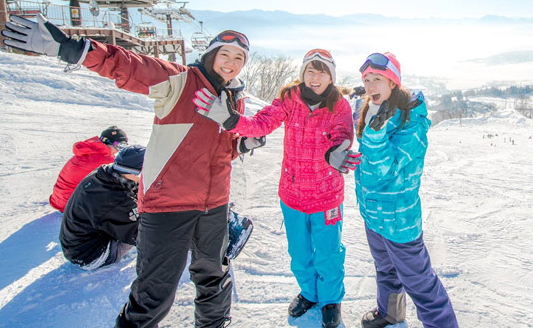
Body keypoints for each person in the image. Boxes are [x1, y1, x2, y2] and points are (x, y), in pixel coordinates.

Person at [2, 15, 263, 328]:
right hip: (169, 204)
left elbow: (220, 150)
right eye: (225, 54)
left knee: (214, 275)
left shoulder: (236, 98)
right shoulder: (181, 80)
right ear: (211, 55)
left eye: (239, 58)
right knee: (155, 291)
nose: (231, 63)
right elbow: (130, 66)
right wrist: (77, 49)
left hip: (214, 203)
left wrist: (242, 145)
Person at [194, 48, 360, 328]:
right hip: (293, 195)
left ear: (331, 77)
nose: (315, 77)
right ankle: (309, 293)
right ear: (302, 74)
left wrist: (336, 150)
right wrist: (232, 120)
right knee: (300, 252)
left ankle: (331, 300)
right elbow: (263, 122)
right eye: (310, 70)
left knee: (329, 252)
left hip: (327, 196)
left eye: (322, 71)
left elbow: (343, 133)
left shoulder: (338, 104)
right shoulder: (289, 99)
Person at [355, 53, 459, 328]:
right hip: (373, 213)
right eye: (367, 80)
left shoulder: (411, 122)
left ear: (393, 83)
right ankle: (390, 313)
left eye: (378, 79)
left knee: (421, 283)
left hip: (398, 218)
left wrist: (375, 135)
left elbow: (388, 172)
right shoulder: (373, 109)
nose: (370, 85)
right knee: (386, 270)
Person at [60, 144, 145, 269]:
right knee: (149, 228)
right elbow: (142, 236)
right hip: (91, 256)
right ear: (135, 172)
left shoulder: (106, 173)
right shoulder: (115, 200)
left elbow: (132, 189)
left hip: (74, 246)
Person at [50, 126, 129, 212]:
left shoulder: (89, 150)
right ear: (107, 142)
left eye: (123, 147)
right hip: (71, 205)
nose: (118, 150)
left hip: (59, 199)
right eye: (119, 146)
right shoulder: (105, 159)